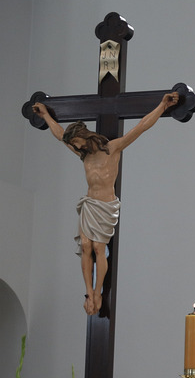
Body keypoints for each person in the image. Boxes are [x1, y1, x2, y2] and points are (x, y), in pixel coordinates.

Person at [33, 92, 179, 315]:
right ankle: (88, 293)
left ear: (83, 136)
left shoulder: (112, 149)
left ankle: (98, 291)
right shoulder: (84, 155)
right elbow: (60, 134)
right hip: (90, 204)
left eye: (76, 142)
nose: (75, 146)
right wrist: (45, 116)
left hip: (105, 206)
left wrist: (162, 106)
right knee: (85, 247)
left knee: (98, 248)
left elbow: (140, 127)